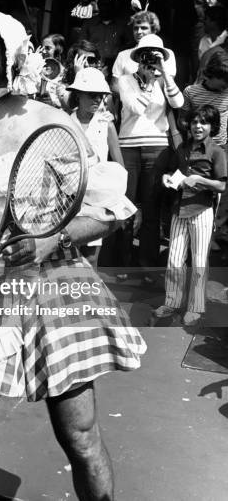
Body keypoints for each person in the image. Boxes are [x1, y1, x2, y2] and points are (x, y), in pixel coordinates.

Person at [0, 2, 146, 501]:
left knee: (78, 436)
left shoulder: (49, 120)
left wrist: (51, 239)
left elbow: (110, 210)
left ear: (9, 49)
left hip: (53, 290)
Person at [115, 34, 184, 280]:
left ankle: (147, 265)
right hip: (129, 148)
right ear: (137, 58)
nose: (150, 60)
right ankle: (122, 264)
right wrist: (145, 83)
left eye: (156, 55)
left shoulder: (164, 80)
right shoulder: (125, 80)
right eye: (146, 55)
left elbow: (178, 102)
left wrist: (164, 76)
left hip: (157, 147)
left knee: (152, 209)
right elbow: (135, 109)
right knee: (125, 207)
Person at [154, 105, 226, 326]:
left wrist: (200, 181)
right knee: (174, 258)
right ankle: (172, 301)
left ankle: (196, 307)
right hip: (179, 209)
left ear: (212, 127)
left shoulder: (216, 151)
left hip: (202, 210)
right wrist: (167, 177)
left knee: (198, 261)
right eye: (195, 122)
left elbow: (222, 185)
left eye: (203, 123)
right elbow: (174, 172)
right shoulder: (182, 149)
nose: (198, 126)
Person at [67, 67, 124, 268]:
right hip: (68, 199)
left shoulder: (106, 124)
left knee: (91, 259)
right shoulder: (64, 121)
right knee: (67, 257)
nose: (98, 101)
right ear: (78, 95)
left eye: (101, 96)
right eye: (92, 96)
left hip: (96, 200)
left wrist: (117, 201)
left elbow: (119, 166)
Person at [173, 0, 214, 87]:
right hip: (180, 27)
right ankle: (181, 87)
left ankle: (196, 87)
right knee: (181, 58)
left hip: (196, 27)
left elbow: (210, 8)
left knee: (195, 57)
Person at [181, 52, 228, 148]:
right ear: (211, 74)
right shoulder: (190, 92)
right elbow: (182, 119)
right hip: (196, 147)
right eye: (225, 80)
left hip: (221, 147)